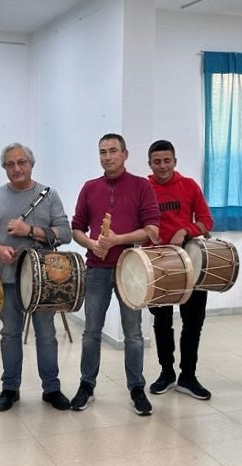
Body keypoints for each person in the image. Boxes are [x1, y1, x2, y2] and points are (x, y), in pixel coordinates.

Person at [0, 143, 73, 412]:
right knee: (9, 334)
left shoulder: (48, 196)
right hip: (7, 279)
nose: (16, 168)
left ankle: (51, 388)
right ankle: (10, 388)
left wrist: (30, 230)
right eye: (10, 164)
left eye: (22, 162)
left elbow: (65, 233)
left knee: (47, 335)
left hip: (44, 281)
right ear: (4, 168)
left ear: (31, 164)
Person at [70, 133, 160, 415]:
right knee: (91, 332)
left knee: (133, 334)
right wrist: (92, 243)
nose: (107, 157)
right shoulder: (89, 188)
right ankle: (87, 385)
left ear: (125, 154)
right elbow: (77, 229)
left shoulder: (141, 186)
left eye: (112, 151)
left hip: (129, 269)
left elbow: (152, 230)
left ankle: (136, 388)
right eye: (102, 152)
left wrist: (118, 239)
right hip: (96, 269)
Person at [146, 140, 214, 400]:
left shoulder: (189, 186)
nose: (162, 166)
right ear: (150, 164)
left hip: (191, 262)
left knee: (193, 323)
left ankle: (188, 376)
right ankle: (166, 373)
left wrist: (185, 230)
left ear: (175, 161)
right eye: (157, 161)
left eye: (167, 160)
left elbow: (207, 220)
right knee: (162, 322)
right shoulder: (144, 187)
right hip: (158, 264)